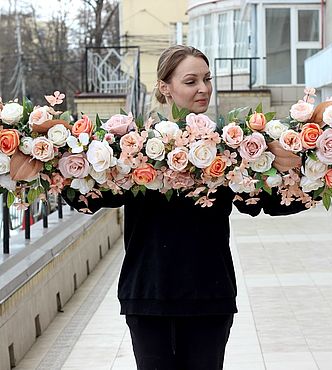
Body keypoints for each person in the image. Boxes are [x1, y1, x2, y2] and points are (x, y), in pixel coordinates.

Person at [63, 45, 309, 370]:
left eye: (207, 79)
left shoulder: (229, 147)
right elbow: (91, 197)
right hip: (149, 294)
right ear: (166, 87)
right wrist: (62, 164)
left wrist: (319, 175)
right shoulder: (134, 148)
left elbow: (261, 202)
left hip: (210, 293)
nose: (204, 88)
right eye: (191, 81)